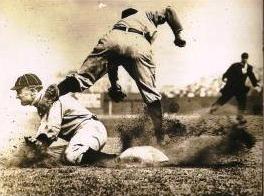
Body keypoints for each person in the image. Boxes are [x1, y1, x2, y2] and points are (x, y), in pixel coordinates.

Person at [40, 6, 186, 144]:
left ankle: (56, 91)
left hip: (112, 39)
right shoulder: (145, 15)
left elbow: (111, 65)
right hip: (138, 41)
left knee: (83, 78)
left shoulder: (119, 24)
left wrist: (115, 86)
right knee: (151, 95)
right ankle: (160, 139)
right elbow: (169, 9)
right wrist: (178, 34)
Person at [11, 73, 116, 165]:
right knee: (50, 156)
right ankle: (87, 153)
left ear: (33, 90)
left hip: (91, 130)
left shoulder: (51, 98)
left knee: (71, 155)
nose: (17, 96)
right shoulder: (43, 103)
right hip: (84, 133)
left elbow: (52, 129)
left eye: (19, 91)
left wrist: (38, 145)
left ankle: (116, 160)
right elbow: (46, 133)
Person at [210, 53, 262, 123]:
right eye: (244, 57)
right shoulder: (235, 65)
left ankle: (240, 116)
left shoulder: (249, 67)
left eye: (246, 57)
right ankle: (213, 108)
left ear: (247, 58)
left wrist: (255, 84)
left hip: (240, 88)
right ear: (241, 58)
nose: (245, 59)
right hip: (231, 86)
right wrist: (224, 77)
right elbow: (227, 73)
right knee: (224, 99)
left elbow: (251, 76)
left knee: (242, 100)